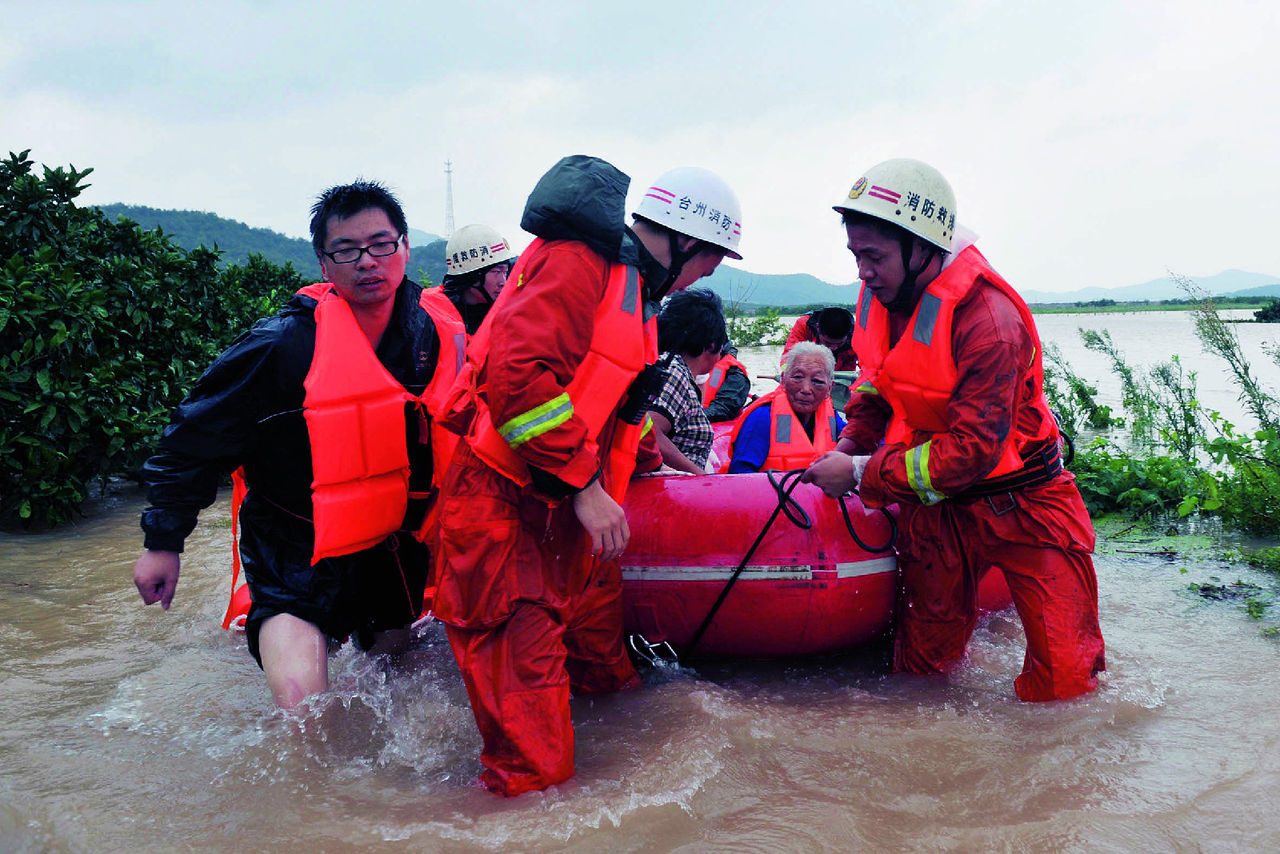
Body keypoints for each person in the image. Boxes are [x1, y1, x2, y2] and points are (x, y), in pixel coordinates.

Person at [432, 155, 742, 796]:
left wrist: (655, 475)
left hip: (566, 522)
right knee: (537, 771)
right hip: (506, 510)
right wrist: (587, 488)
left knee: (614, 688)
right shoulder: (581, 262)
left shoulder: (640, 296)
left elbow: (610, 409)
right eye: (712, 256)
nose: (711, 272)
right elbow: (518, 380)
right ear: (685, 239)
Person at [802, 158, 1105, 701]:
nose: (862, 271)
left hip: (1024, 501)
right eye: (855, 256)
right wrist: (853, 439)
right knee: (922, 671)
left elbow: (972, 453)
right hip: (937, 508)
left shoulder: (989, 321)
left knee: (1066, 684)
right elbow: (877, 379)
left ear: (922, 249)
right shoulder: (881, 296)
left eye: (873, 256)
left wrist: (857, 472)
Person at [132, 181, 442, 710]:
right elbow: (191, 440)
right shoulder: (279, 345)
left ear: (405, 247)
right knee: (304, 708)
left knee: (407, 693)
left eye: (381, 244)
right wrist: (163, 542)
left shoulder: (435, 332)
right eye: (347, 250)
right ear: (324, 263)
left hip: (391, 547)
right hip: (294, 545)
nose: (367, 261)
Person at [725, 341, 844, 473]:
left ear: (829, 388)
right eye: (797, 377)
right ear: (783, 380)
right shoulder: (763, 417)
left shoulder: (832, 418)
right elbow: (740, 474)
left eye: (817, 381)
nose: (806, 389)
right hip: (774, 492)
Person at [649, 287, 727, 473]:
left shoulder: (668, 366)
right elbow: (649, 431)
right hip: (669, 489)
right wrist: (698, 475)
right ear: (712, 345)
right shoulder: (674, 373)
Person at [428, 224, 518, 335]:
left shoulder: (511, 314)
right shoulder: (431, 320)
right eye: (496, 272)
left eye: (505, 272)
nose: (503, 282)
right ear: (471, 277)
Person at [780, 305, 858, 372]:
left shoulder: (858, 334)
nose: (833, 348)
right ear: (817, 328)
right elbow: (789, 357)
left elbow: (867, 366)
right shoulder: (804, 325)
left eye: (839, 343)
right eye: (828, 343)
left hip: (843, 373)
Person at [701, 341, 751, 424]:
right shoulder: (687, 362)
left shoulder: (734, 372)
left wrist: (690, 417)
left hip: (712, 426)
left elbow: (725, 409)